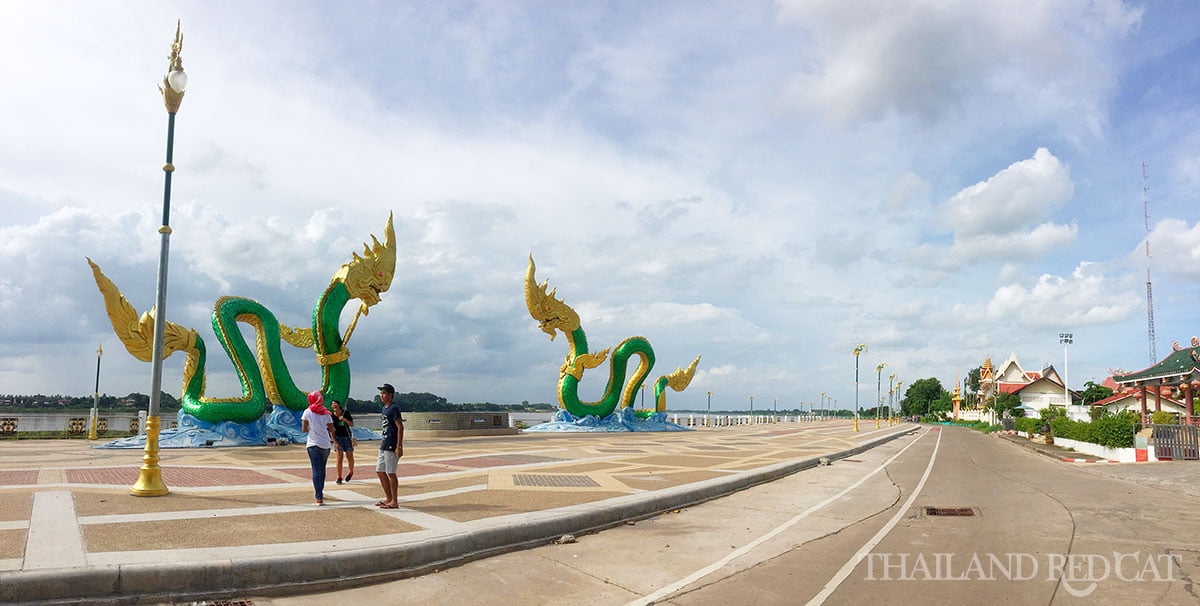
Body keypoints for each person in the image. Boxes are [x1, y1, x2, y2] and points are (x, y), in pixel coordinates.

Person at [300, 390, 336, 505]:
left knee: (316, 469)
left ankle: (319, 495)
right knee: (322, 469)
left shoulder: (307, 412)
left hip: (313, 443)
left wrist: (313, 427)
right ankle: (321, 491)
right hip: (325, 444)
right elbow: (331, 429)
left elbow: (304, 429)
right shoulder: (326, 413)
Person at [375, 383, 404, 509]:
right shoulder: (384, 408)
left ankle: (394, 501)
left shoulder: (394, 408)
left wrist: (399, 446)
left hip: (392, 444)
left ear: (390, 395)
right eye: (381, 393)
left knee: (391, 473)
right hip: (384, 443)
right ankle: (388, 498)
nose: (382, 395)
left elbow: (400, 427)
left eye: (384, 393)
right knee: (380, 470)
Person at [331, 400, 355, 484]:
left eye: (335, 404)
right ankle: (339, 477)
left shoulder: (345, 413)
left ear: (339, 405)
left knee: (349, 456)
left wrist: (344, 419)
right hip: (338, 437)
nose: (334, 405)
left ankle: (351, 472)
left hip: (347, 437)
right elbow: (331, 430)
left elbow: (352, 424)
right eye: (333, 404)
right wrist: (335, 442)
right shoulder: (331, 416)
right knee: (339, 457)